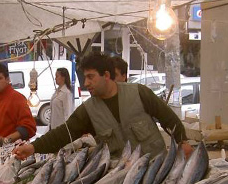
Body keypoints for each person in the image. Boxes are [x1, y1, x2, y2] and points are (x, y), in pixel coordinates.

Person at [14, 52, 191, 161]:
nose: (86, 83)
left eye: (91, 77)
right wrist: (33, 147)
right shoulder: (88, 110)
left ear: (106, 75)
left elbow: (168, 117)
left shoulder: (139, 92)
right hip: (121, 176)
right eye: (85, 78)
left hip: (156, 166)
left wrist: (182, 141)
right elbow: (63, 133)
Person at [0, 63, 36, 143]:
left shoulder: (16, 98)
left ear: (7, 80)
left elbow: (29, 127)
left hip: (13, 152)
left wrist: (5, 140)